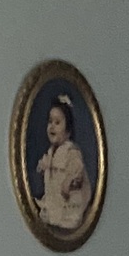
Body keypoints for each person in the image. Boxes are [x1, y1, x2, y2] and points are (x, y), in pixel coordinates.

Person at [35, 98, 91, 232]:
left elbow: (77, 169)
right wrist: (43, 166)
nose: (52, 126)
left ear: (68, 131)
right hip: (54, 198)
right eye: (50, 122)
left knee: (66, 218)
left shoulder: (71, 150)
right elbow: (46, 166)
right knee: (50, 212)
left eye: (57, 122)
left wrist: (69, 180)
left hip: (68, 201)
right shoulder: (51, 152)